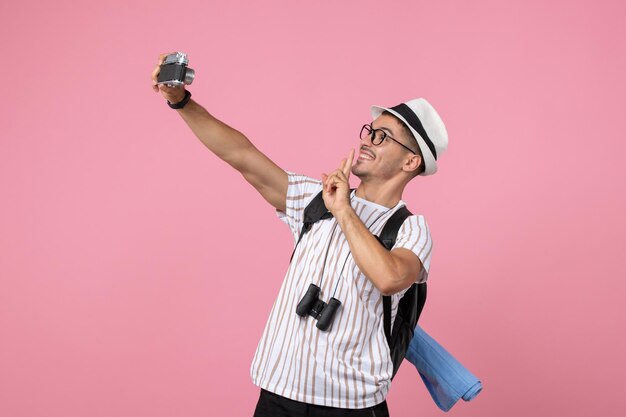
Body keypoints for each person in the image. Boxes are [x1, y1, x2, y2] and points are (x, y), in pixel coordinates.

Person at [151, 52, 448, 417]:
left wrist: (343, 211)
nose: (368, 140)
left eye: (383, 136)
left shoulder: (411, 229)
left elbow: (389, 278)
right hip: (277, 396)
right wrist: (181, 102)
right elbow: (240, 154)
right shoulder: (315, 200)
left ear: (410, 162)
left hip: (350, 407)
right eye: (369, 131)